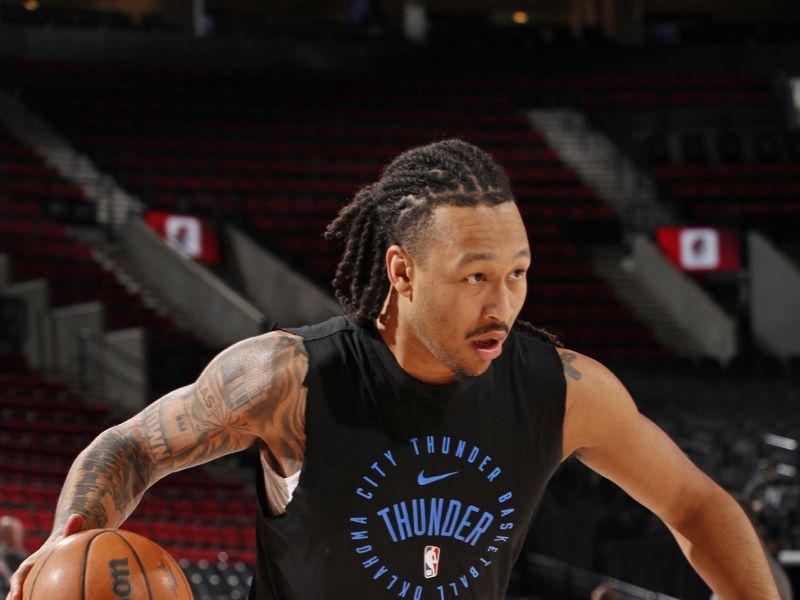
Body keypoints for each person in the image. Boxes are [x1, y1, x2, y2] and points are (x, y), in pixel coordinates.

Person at [7, 139, 779, 600]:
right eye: (476, 276)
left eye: (518, 273)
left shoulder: (565, 388)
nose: (503, 303)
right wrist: (66, 549)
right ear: (403, 274)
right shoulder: (292, 378)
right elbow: (133, 446)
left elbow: (697, 504)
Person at [0, 516, 26, 597]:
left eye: (17, 532)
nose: (15, 535)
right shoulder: (2, 557)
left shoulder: (26, 556)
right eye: (10, 532)